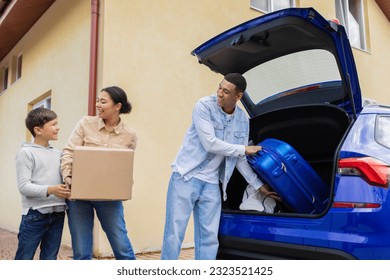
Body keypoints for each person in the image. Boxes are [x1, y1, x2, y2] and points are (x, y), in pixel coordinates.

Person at [161, 73, 280, 260]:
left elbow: (240, 158)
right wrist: (244, 148)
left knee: (209, 238)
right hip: (186, 176)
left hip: (211, 183)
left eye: (226, 91)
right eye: (219, 88)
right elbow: (210, 143)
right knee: (174, 234)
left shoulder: (242, 119)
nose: (219, 93)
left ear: (238, 96)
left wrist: (259, 186)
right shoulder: (203, 106)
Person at [61, 86, 137, 260]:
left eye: (103, 101)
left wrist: (124, 187)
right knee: (81, 253)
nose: (97, 105)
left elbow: (125, 166)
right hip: (79, 196)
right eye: (97, 100)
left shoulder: (129, 135)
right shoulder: (85, 123)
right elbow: (68, 152)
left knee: (122, 248)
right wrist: (68, 176)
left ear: (117, 106)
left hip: (110, 198)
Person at [15, 108, 71, 260]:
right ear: (38, 130)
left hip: (58, 214)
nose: (57, 127)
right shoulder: (26, 153)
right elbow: (24, 187)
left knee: (49, 259)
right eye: (53, 124)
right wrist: (51, 189)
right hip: (35, 215)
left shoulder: (59, 154)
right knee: (24, 259)